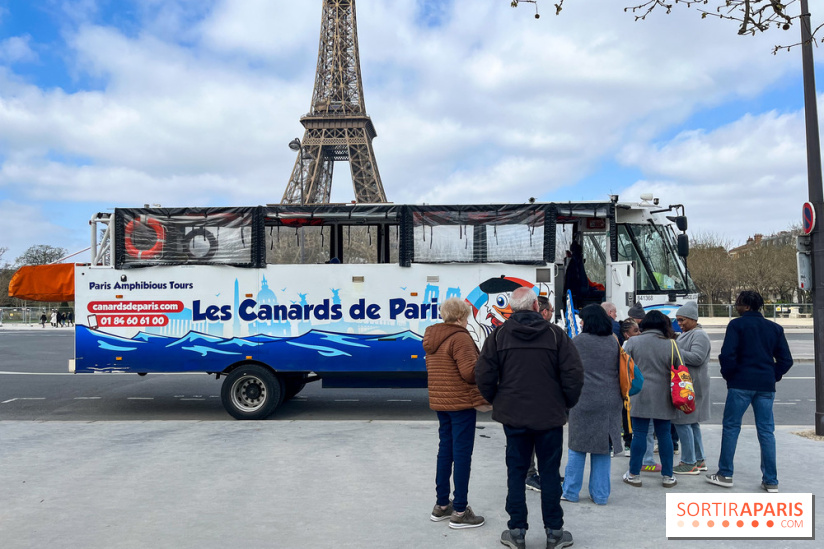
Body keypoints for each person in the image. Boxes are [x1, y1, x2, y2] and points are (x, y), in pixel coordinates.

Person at [476, 287, 583, 549]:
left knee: (517, 472)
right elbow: (574, 375)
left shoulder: (499, 335)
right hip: (549, 417)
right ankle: (555, 532)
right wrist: (565, 404)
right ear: (537, 306)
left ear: (512, 308)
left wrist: (498, 400)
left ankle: (516, 531)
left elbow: (483, 375)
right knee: (549, 473)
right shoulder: (555, 335)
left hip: (514, 417)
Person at [706, 290, 793, 493]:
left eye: (737, 303)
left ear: (745, 305)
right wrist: (773, 375)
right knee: (766, 431)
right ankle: (771, 480)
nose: (736, 306)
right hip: (765, 384)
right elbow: (786, 360)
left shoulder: (736, 325)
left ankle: (725, 473)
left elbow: (727, 355)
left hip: (740, 382)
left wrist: (730, 376)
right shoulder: (775, 328)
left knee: (731, 427)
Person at [423, 297, 488, 529]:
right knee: (461, 456)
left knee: (445, 452)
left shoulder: (431, 336)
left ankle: (441, 506)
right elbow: (469, 373)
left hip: (441, 403)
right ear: (461, 316)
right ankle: (460, 510)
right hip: (461, 403)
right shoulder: (460, 337)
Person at [562, 304, 622, 505]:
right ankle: (601, 495)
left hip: (583, 400)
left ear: (589, 321)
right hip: (610, 401)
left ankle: (570, 491)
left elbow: (566, 370)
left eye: (583, 319)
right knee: (602, 449)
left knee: (577, 447)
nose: (580, 322)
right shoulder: (613, 342)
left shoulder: (577, 342)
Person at [622, 310, 679, 488]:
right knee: (664, 435)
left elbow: (622, 367)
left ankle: (634, 474)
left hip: (639, 394)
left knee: (639, 434)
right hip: (665, 396)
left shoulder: (632, 342)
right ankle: (668, 476)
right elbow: (680, 369)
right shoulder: (671, 344)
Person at [672, 301, 711, 475]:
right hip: (690, 384)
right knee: (692, 423)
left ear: (692, 319)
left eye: (682, 320)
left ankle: (688, 462)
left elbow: (697, 358)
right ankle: (699, 460)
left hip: (691, 386)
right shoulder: (689, 333)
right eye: (678, 320)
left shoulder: (699, 335)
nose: (679, 323)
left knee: (682, 421)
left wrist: (672, 351)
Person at [526, 295, 555, 492]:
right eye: (551, 310)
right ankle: (530, 475)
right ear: (543, 312)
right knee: (534, 440)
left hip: (520, 398)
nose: (552, 313)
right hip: (541, 398)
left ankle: (536, 473)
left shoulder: (506, 331)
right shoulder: (551, 334)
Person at [619, 318, 640, 455]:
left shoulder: (633, 343)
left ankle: (628, 442)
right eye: (635, 331)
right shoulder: (627, 345)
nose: (639, 333)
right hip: (630, 385)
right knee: (628, 416)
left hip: (632, 385)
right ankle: (628, 443)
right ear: (627, 334)